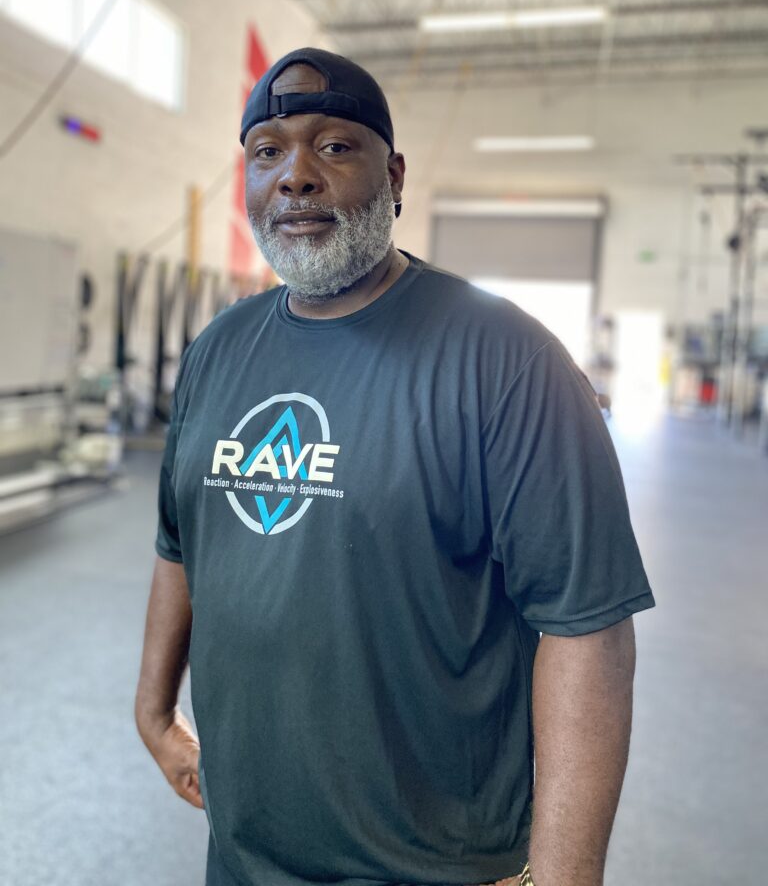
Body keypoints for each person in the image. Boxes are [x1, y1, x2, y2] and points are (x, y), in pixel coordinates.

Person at [135, 48, 655, 886]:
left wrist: (564, 876)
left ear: (395, 174)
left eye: (334, 146)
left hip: (434, 862)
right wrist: (153, 709)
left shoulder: (507, 358)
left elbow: (587, 626)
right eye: (267, 151)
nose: (296, 175)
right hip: (244, 854)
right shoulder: (217, 351)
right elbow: (180, 543)